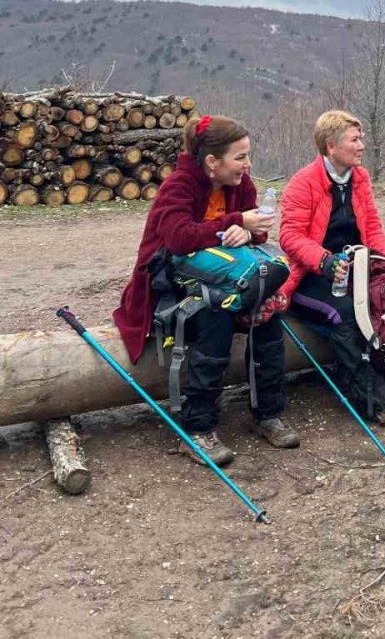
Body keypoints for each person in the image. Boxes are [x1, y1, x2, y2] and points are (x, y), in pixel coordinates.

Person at [114, 115, 299, 467]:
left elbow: (255, 234)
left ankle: (268, 414)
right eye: (241, 157)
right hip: (170, 284)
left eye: (248, 156)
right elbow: (178, 239)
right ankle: (197, 429)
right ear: (212, 162)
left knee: (268, 315)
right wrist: (236, 223)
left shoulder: (240, 185)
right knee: (214, 315)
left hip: (227, 277)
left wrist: (247, 232)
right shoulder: (179, 185)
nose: (248, 164)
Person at [280, 109, 385, 428]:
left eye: (361, 138)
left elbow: (373, 229)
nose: (362, 145)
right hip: (312, 275)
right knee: (345, 312)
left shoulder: (359, 178)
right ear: (331, 147)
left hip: (355, 267)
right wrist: (324, 260)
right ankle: (371, 398)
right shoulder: (303, 182)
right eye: (355, 139)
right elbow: (289, 236)